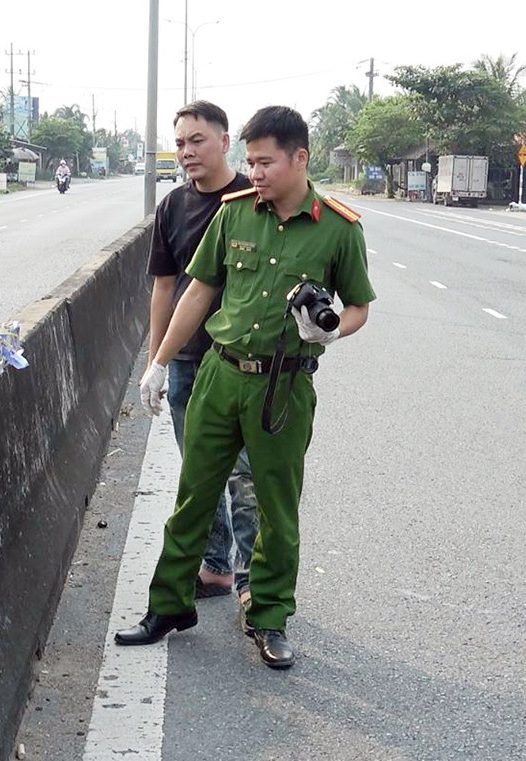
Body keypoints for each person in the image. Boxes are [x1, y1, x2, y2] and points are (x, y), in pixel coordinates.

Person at [114, 106, 376, 669]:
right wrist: (158, 361)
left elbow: (358, 307)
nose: (253, 172)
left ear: (299, 158)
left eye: (265, 162)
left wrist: (326, 331)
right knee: (194, 497)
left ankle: (270, 618)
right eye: (250, 162)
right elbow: (197, 291)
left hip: (281, 391)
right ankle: (170, 606)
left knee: (276, 508)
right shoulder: (233, 216)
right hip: (219, 376)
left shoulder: (338, 227)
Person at [139, 100, 258, 605]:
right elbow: (166, 288)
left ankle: (255, 579)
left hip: (242, 363)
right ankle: (215, 567)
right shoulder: (172, 206)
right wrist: (155, 362)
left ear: (225, 142)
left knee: (246, 474)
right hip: (188, 360)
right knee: (198, 471)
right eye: (181, 142)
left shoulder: (255, 200)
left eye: (197, 141)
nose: (187, 152)